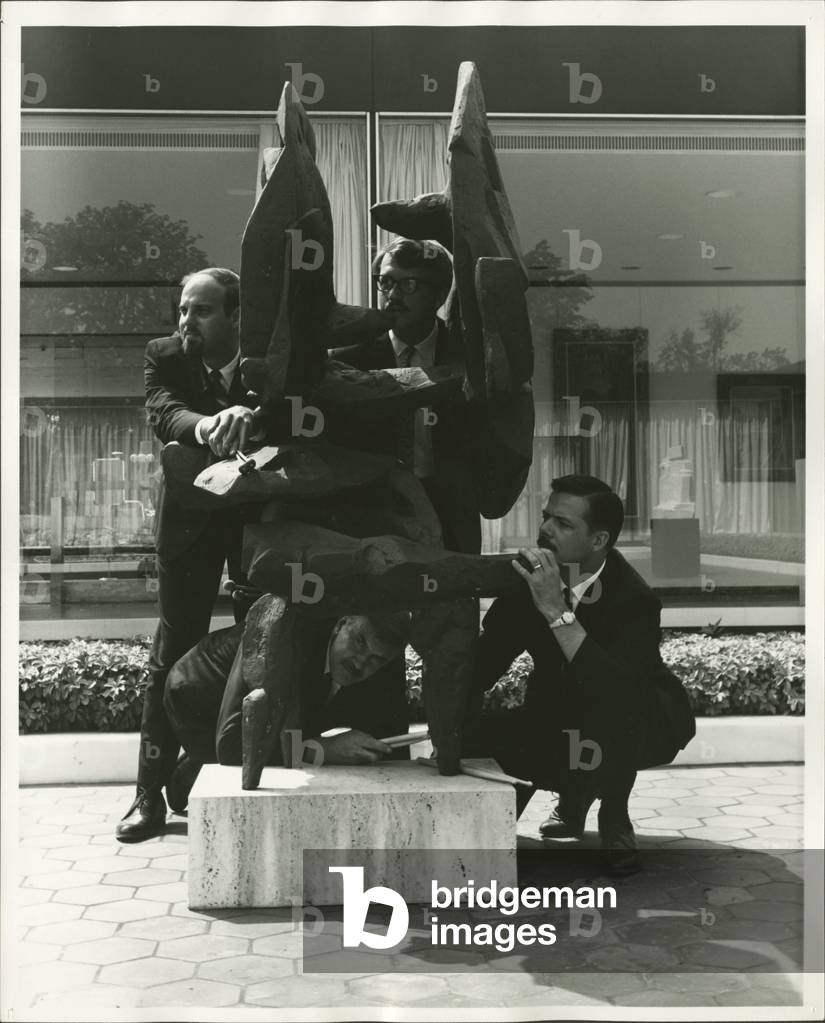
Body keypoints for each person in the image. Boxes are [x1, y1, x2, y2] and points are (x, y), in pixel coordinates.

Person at [462, 475, 695, 875]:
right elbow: (486, 664)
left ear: (598, 541)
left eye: (564, 524)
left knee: (616, 713)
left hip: (637, 721)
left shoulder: (634, 599)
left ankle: (614, 815)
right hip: (555, 714)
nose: (545, 530)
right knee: (478, 734)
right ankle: (538, 807)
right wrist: (454, 720)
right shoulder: (529, 583)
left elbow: (617, 692)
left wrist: (555, 610)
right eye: (547, 516)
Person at [116, 267, 260, 842]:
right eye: (182, 310)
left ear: (235, 316)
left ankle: (203, 762)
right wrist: (212, 424)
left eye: (200, 311)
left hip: (258, 525)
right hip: (189, 527)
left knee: (257, 648)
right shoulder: (166, 355)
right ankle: (148, 798)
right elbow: (163, 412)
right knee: (172, 652)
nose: (185, 323)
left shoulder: (266, 361)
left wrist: (254, 413)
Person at [161, 611, 413, 810]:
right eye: (358, 642)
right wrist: (322, 750)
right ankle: (198, 759)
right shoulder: (289, 641)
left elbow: (391, 741)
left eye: (377, 660)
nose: (361, 662)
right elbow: (232, 747)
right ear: (341, 623)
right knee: (235, 755)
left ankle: (197, 762)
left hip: (286, 700)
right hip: (198, 694)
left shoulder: (377, 666)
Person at [330, 237, 481, 555]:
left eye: (409, 285)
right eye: (386, 283)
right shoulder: (349, 355)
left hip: (451, 512)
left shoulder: (467, 354)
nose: (393, 296)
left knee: (454, 599)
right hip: (374, 510)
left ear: (439, 294)